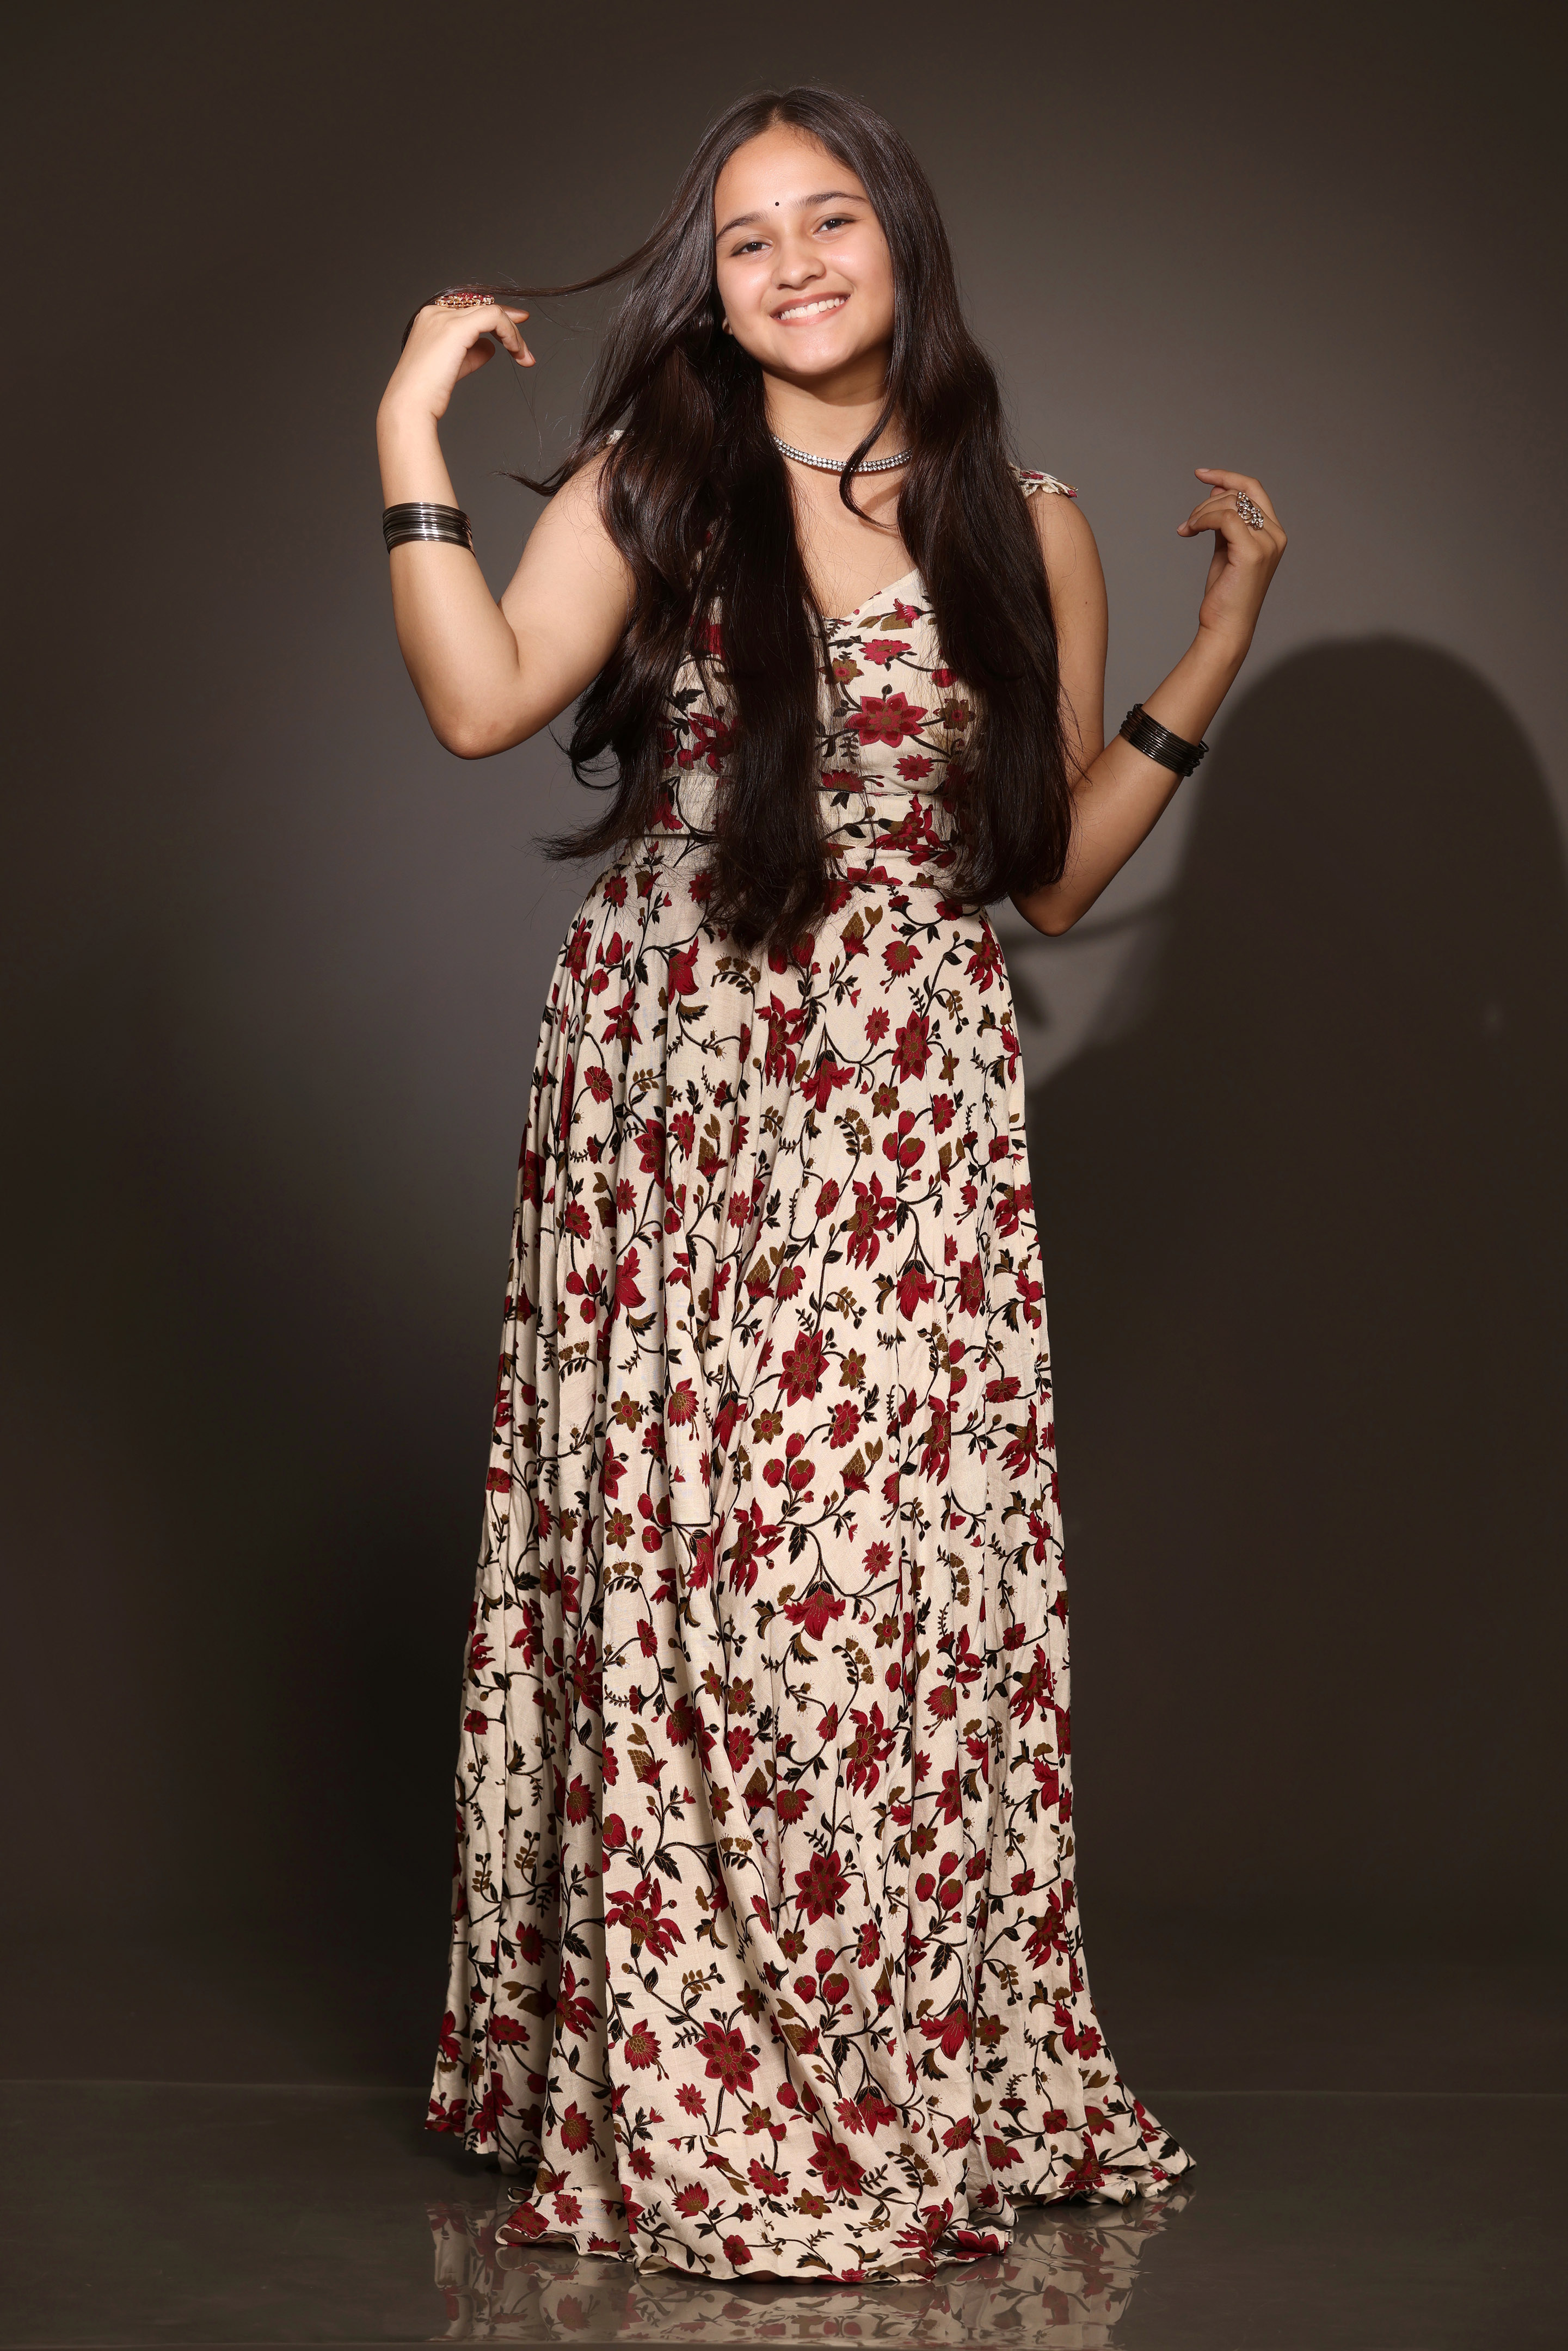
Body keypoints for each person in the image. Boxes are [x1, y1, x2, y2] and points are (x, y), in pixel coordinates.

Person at [378, 85, 1284, 2284]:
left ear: (902, 240)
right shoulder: (662, 480)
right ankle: (693, 2068)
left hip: (908, 1115)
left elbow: (1043, 880)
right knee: (693, 1581)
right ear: (712, 286)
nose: (791, 264)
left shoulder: (1023, 526)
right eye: (747, 236)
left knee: (874, 1598)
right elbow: (482, 704)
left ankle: (885, 2058)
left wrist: (1216, 647)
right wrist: (409, 432)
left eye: (830, 219)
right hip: (677, 1094)